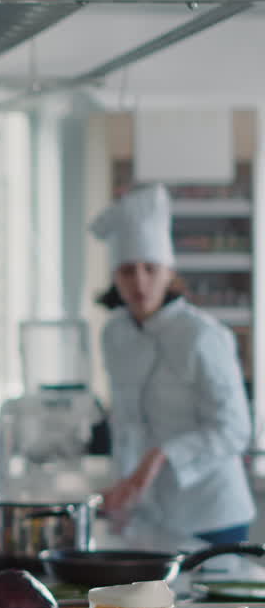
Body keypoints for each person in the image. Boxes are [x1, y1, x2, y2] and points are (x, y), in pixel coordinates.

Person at [91, 183, 255, 546]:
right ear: (115, 277)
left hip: (212, 512)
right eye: (127, 271)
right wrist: (126, 484)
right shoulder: (114, 333)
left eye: (150, 269)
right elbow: (126, 420)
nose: (140, 282)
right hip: (150, 513)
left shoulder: (202, 336)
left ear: (169, 272)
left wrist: (162, 455)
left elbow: (235, 430)